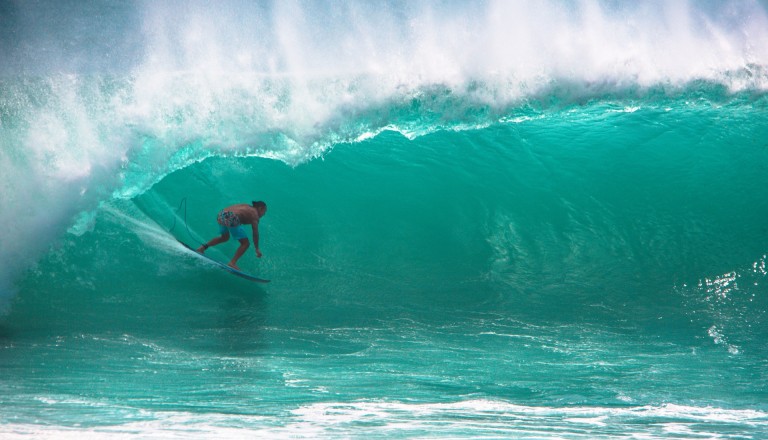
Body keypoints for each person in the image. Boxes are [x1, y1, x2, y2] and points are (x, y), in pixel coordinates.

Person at [197, 201, 267, 270]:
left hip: (221, 214)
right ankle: (232, 263)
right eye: (264, 211)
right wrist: (257, 248)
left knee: (224, 238)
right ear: (260, 208)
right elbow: (255, 233)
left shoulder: (246, 206)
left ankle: (201, 248)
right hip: (231, 217)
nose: (264, 214)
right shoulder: (255, 214)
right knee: (245, 244)